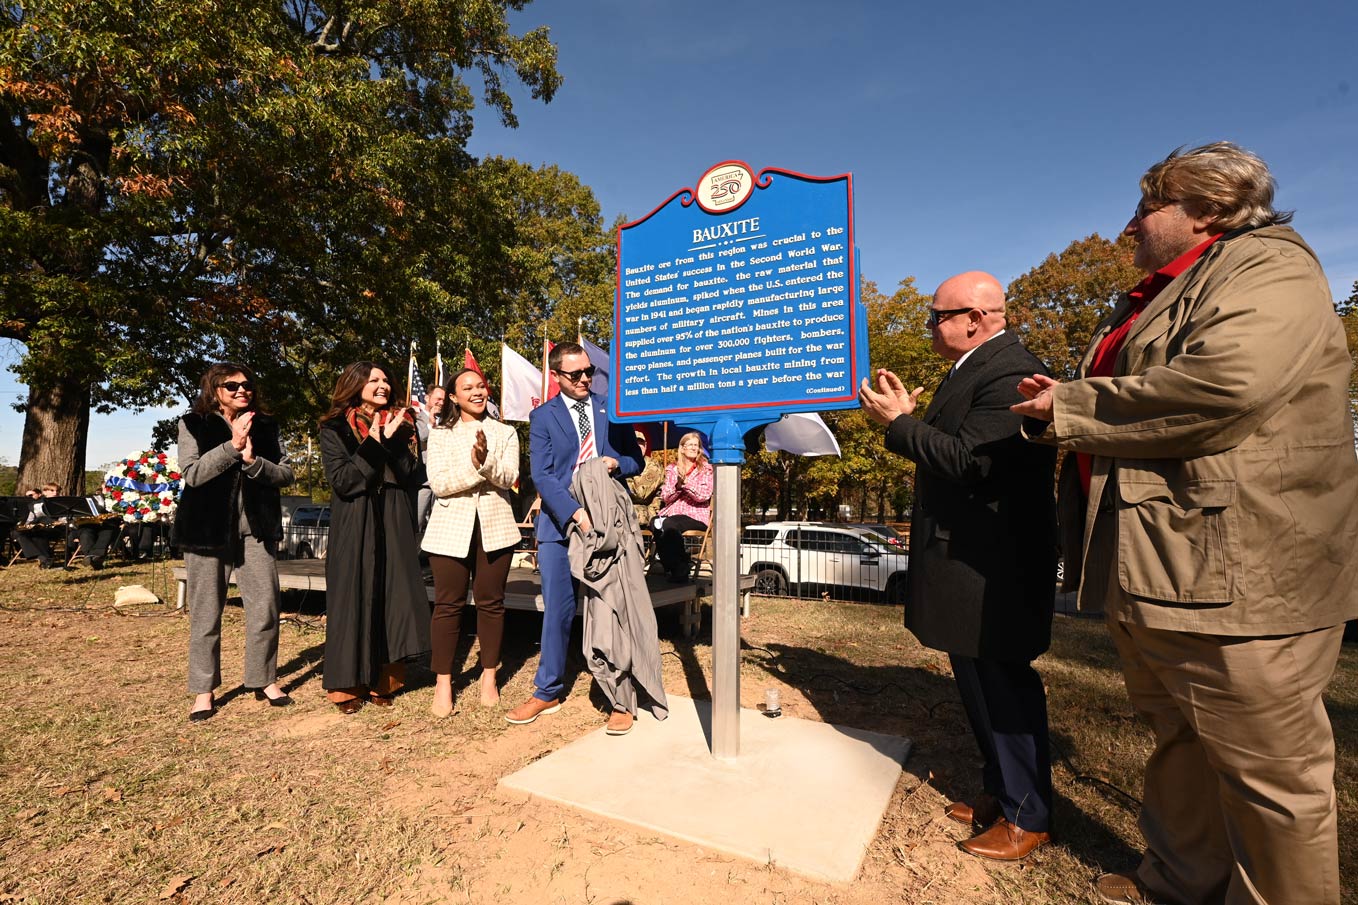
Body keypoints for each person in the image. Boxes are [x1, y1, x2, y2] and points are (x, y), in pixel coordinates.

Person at [1013, 142, 1358, 905]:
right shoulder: (1161, 289)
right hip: (1168, 569)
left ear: (1208, 207)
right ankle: (1179, 882)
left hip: (1245, 574)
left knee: (1271, 778)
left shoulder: (1270, 267)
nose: (1128, 225)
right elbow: (1154, 387)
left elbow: (1224, 384)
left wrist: (1069, 407)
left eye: (1146, 207)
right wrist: (1072, 392)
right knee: (1182, 742)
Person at [859, 271, 1058, 862]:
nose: (929, 327)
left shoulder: (1008, 371)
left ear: (974, 318)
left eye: (936, 316)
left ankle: (1030, 813)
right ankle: (1001, 790)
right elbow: (955, 444)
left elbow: (972, 463)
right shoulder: (972, 369)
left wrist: (899, 423)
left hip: (992, 564)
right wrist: (916, 418)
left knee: (1004, 685)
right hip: (964, 561)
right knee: (977, 683)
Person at [505, 342, 644, 732]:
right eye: (575, 374)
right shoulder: (542, 417)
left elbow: (638, 460)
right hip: (560, 525)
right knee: (559, 611)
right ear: (557, 376)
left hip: (608, 521)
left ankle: (621, 699)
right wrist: (574, 514)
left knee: (613, 609)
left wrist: (618, 462)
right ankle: (547, 691)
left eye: (589, 372)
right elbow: (543, 475)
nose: (585, 379)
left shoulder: (611, 408)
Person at [174, 363, 295, 721]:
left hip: (257, 530)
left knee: (265, 607)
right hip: (206, 532)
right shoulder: (193, 424)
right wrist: (231, 446)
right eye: (233, 386)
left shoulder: (268, 426)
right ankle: (203, 690)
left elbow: (286, 473)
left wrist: (255, 462)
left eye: (247, 385)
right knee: (206, 613)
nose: (243, 390)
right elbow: (192, 474)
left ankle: (263, 679)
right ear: (214, 390)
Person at [318, 361, 430, 714]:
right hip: (356, 516)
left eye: (385, 380)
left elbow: (413, 476)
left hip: (395, 512)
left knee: (392, 594)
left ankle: (386, 680)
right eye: (373, 380)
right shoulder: (334, 427)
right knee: (352, 594)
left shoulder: (403, 425)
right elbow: (345, 480)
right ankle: (346, 683)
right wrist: (375, 442)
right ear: (355, 385)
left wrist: (395, 440)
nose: (382, 385)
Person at [421, 369, 519, 716]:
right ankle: (444, 682)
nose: (476, 392)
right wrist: (477, 466)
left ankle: (489, 676)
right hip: (450, 529)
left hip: (497, 528)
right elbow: (440, 483)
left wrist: (487, 461)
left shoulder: (505, 432)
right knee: (448, 605)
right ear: (453, 396)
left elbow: (509, 478)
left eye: (480, 386)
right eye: (467, 387)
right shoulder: (441, 435)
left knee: (491, 604)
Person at [653, 431, 712, 583]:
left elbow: (704, 495)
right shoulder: (672, 469)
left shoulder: (706, 469)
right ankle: (678, 566)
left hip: (695, 515)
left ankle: (676, 566)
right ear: (682, 448)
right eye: (690, 445)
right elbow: (666, 497)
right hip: (671, 512)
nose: (694, 448)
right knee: (655, 522)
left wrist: (686, 485)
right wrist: (677, 486)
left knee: (669, 524)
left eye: (696, 445)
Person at [14, 483, 71, 570]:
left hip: (56, 530)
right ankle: (43, 558)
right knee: (18, 533)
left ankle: (44, 559)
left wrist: (59, 522)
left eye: (57, 491)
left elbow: (66, 519)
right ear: (44, 492)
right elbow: (29, 520)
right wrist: (28, 525)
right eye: (52, 491)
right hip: (38, 528)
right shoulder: (35, 505)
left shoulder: (62, 504)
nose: (55, 493)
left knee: (39, 534)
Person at [415, 384, 447, 534]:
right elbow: (420, 436)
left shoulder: (447, 422)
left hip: (441, 482)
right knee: (418, 521)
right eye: (438, 398)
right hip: (423, 480)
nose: (441, 402)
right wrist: (431, 424)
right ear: (427, 398)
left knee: (437, 526)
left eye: (444, 400)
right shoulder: (417, 418)